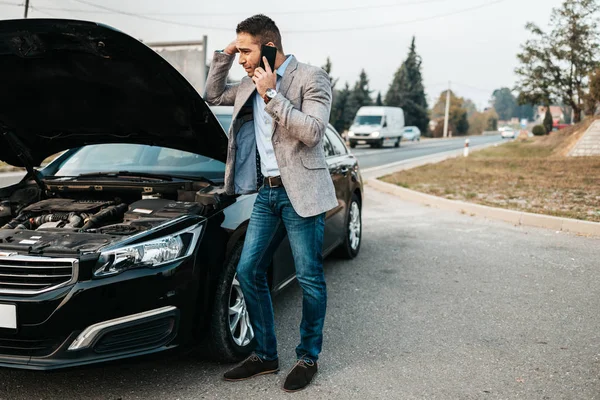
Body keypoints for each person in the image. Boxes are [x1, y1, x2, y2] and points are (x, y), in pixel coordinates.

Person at [204, 14, 337, 392]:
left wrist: (272, 95)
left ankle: (308, 356)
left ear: (269, 46)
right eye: (239, 50)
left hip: (302, 194)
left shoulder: (311, 78)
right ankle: (266, 354)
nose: (243, 58)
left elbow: (312, 132)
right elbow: (212, 95)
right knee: (248, 272)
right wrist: (226, 53)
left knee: (310, 278)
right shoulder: (247, 83)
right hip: (268, 191)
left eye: (247, 50)